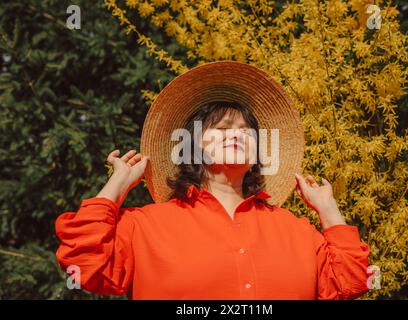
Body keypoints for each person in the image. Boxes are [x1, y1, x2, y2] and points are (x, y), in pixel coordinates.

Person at [54, 62, 371, 300]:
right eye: (219, 129)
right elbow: (84, 265)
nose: (235, 134)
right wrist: (118, 185)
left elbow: (351, 282)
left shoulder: (295, 230)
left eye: (246, 131)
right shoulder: (144, 226)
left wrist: (328, 210)